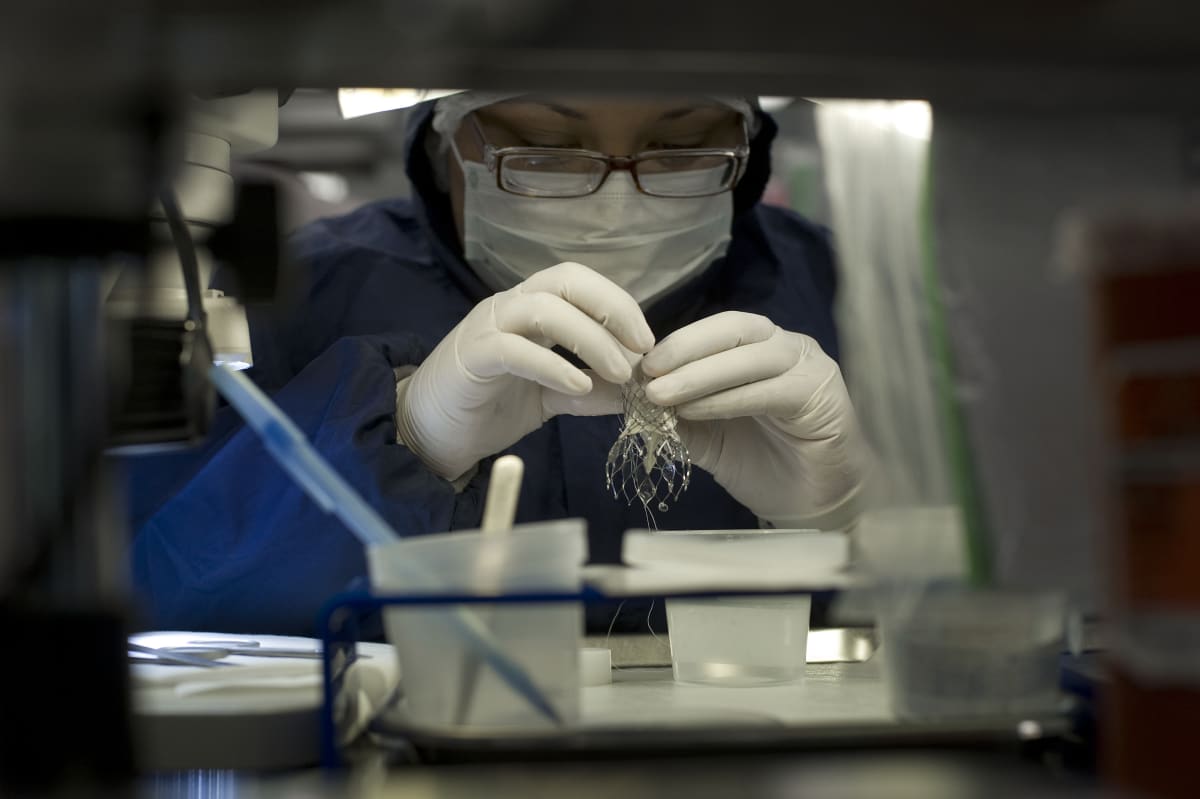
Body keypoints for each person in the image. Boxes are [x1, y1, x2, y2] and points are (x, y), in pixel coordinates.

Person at [125, 92, 871, 636]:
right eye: (542, 148)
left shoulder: (836, 289)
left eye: (684, 150)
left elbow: (958, 621)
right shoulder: (302, 297)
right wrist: (402, 438)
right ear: (442, 141)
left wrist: (842, 526)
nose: (615, 203)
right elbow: (147, 602)